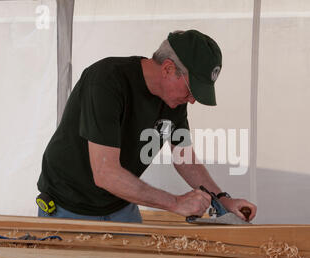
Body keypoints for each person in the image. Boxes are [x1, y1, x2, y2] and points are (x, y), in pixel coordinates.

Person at [37, 29, 257, 223]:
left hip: (120, 205)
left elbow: (184, 158)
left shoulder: (173, 101)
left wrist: (223, 199)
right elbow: (105, 173)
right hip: (68, 207)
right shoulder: (106, 81)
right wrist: (175, 203)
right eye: (191, 90)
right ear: (169, 69)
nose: (192, 100)